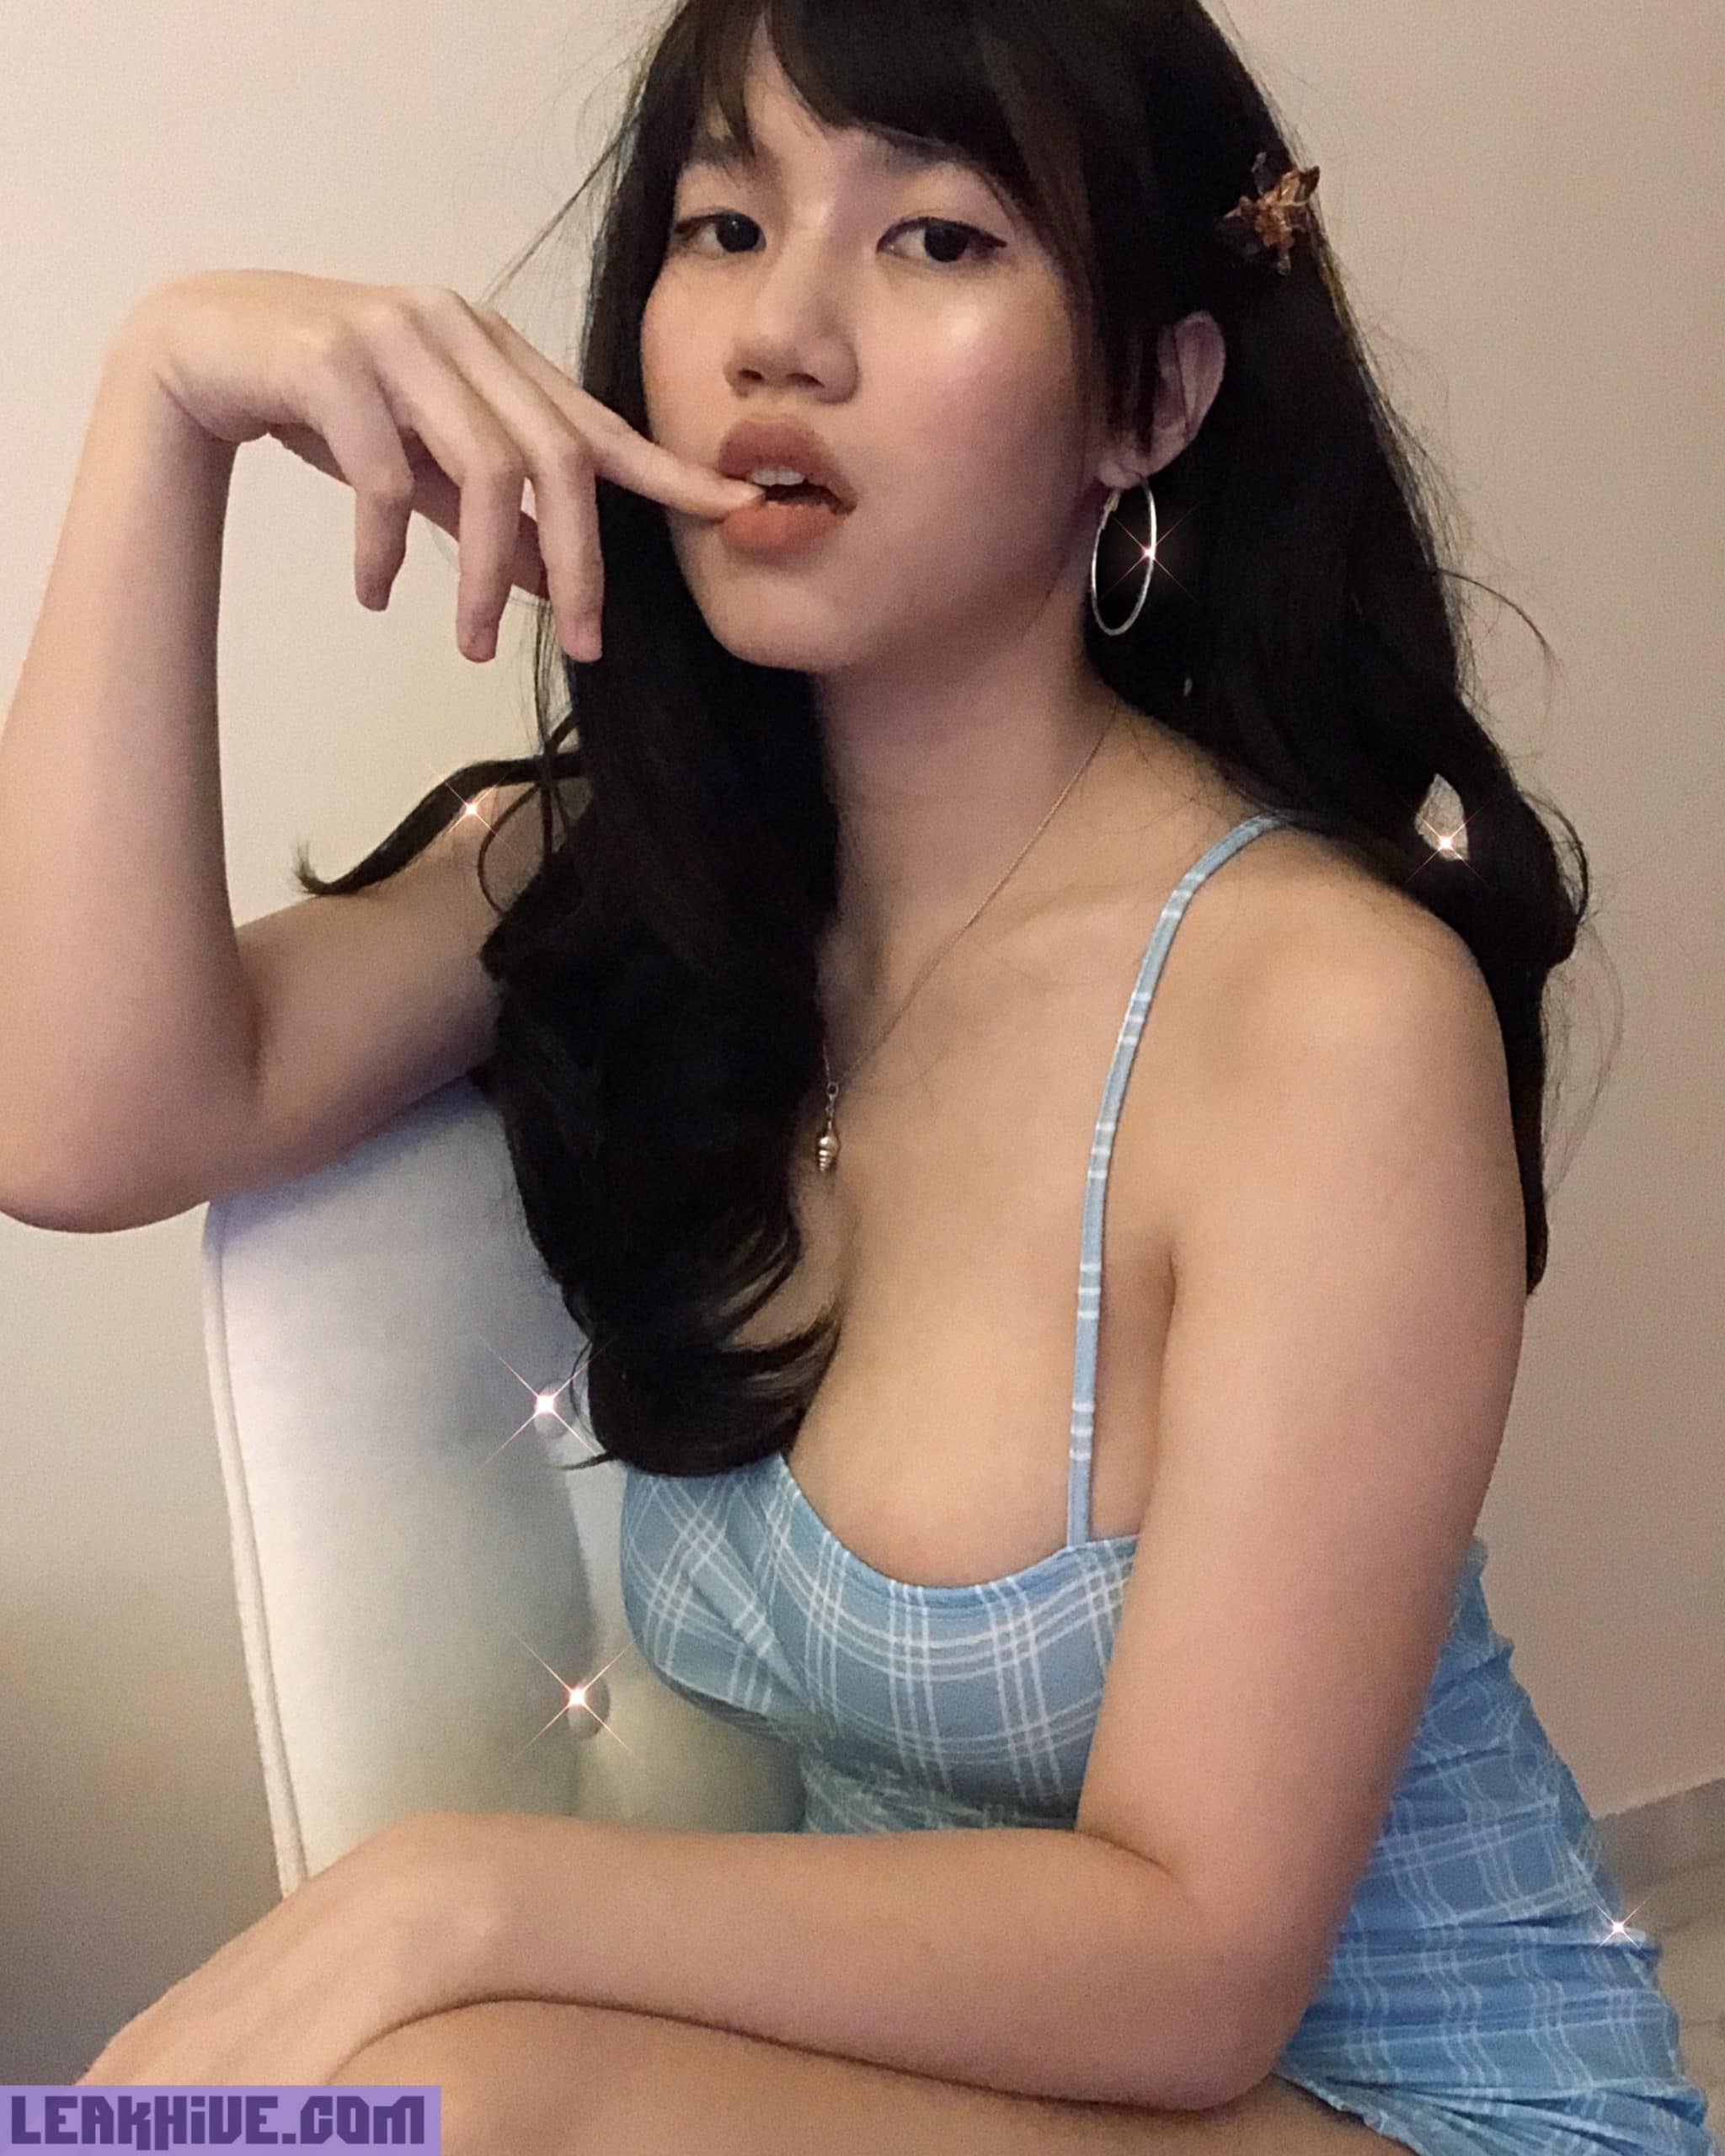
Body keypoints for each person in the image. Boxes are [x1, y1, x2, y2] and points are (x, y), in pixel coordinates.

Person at [3, 1, 1712, 2149]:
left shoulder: (1319, 1015)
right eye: (722, 224)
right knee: (316, 2127)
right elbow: (81, 1123)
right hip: (961, 2089)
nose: (778, 333)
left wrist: (464, 1895)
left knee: (459, 2098)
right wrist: (165, 401)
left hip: (1397, 2104)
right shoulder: (643, 888)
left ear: (1148, 399)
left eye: (935, 241)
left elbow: (1198, 1957)